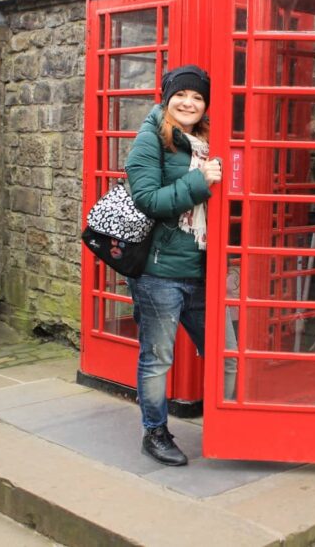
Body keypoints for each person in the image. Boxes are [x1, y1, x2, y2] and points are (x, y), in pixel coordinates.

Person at [125, 64, 222, 466]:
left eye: (198, 97)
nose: (188, 102)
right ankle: (155, 432)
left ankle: (235, 423)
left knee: (226, 350)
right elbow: (147, 199)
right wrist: (200, 181)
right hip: (159, 272)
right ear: (166, 98)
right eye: (181, 95)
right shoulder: (150, 139)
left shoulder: (207, 141)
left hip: (205, 270)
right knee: (157, 358)